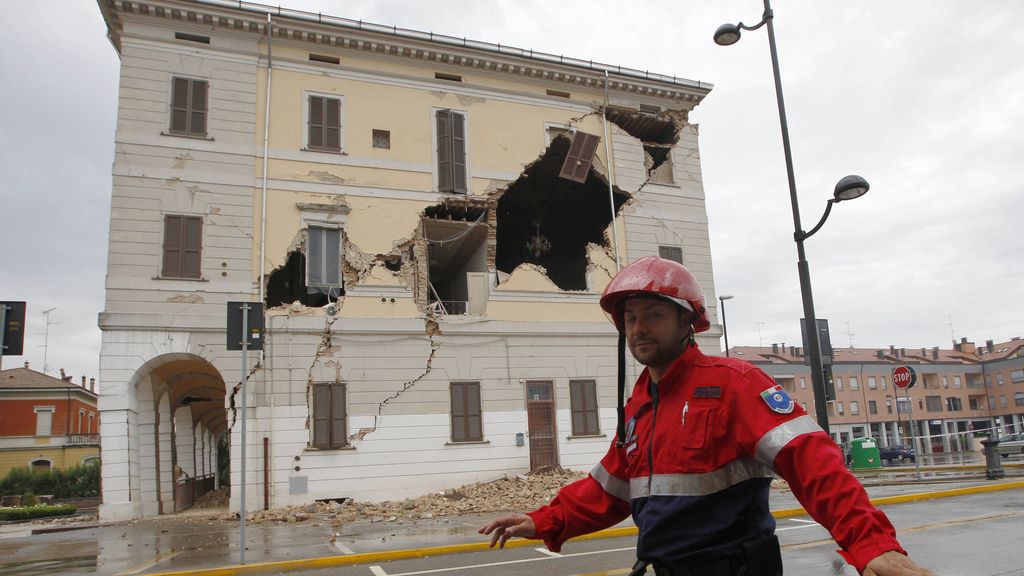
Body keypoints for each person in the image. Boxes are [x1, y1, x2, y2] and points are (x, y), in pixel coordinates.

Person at [480, 257, 934, 575]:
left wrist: (871, 545)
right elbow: (609, 488)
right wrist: (543, 520)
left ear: (687, 322)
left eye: (654, 314)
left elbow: (815, 465)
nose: (639, 328)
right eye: (631, 318)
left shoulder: (735, 383)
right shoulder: (641, 404)